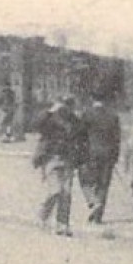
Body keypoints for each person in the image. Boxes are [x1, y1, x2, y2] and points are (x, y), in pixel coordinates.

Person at [32, 98, 84, 236]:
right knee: (55, 190)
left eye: (68, 107)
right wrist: (50, 111)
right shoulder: (49, 120)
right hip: (51, 158)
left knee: (66, 193)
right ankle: (42, 215)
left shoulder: (73, 122)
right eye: (63, 106)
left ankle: (62, 224)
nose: (65, 110)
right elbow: (37, 124)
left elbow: (81, 134)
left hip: (68, 159)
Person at [77, 94, 122, 224]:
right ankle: (98, 217)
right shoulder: (113, 116)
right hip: (108, 154)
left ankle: (92, 201)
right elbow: (117, 138)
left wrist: (80, 153)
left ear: (92, 99)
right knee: (104, 184)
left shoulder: (87, 114)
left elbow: (81, 136)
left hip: (91, 153)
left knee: (85, 180)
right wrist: (115, 156)